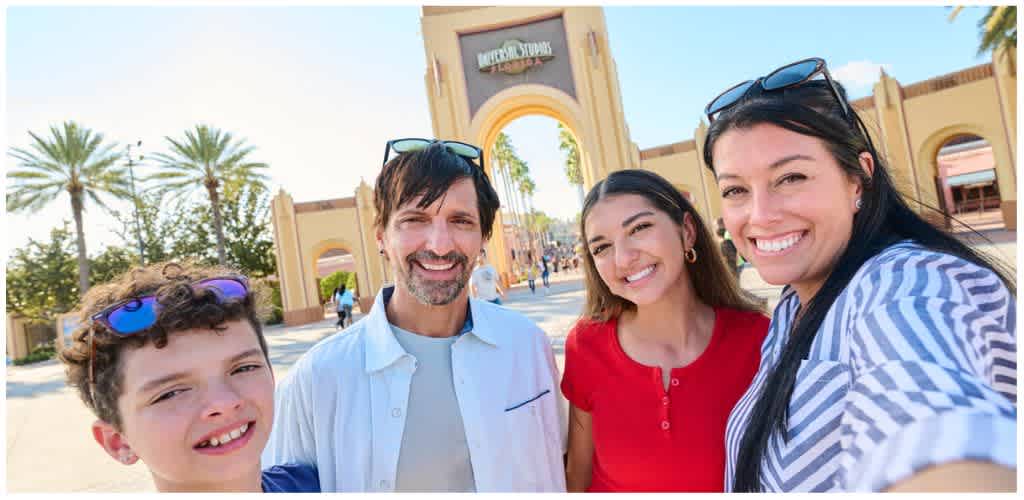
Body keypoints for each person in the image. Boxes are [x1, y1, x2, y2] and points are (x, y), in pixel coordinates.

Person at [702, 57, 1016, 492]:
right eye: (735, 190)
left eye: (791, 177)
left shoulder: (905, 283)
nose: (761, 215)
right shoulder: (792, 307)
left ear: (858, 179)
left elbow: (928, 415)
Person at [263, 138, 566, 492]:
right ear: (381, 237)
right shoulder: (317, 378)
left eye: (461, 221)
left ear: (483, 237)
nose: (439, 244)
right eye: (415, 220)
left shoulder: (526, 345)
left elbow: (559, 460)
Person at [562, 169, 769, 492]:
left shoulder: (759, 339)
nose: (623, 258)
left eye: (640, 228)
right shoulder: (586, 344)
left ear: (686, 231)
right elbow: (578, 475)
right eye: (601, 247)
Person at [58, 262, 319, 492]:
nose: (224, 402)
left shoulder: (324, 482)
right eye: (171, 393)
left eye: (243, 368)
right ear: (118, 441)